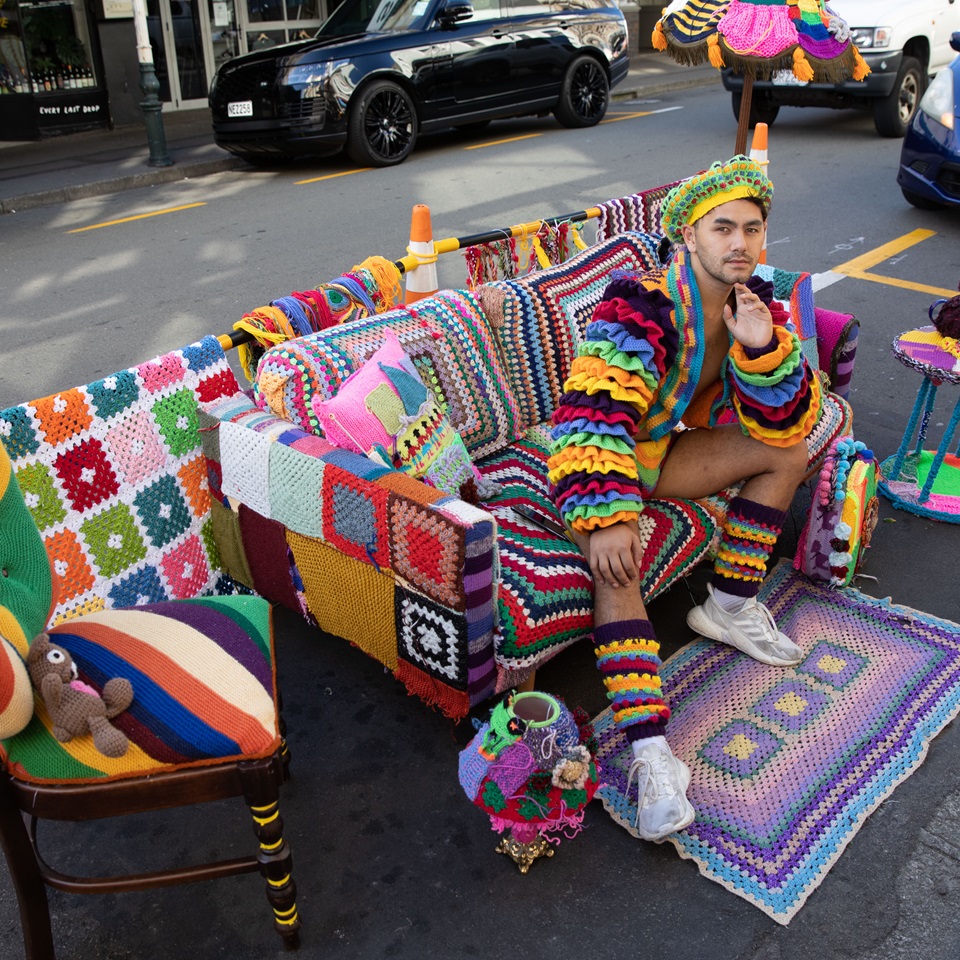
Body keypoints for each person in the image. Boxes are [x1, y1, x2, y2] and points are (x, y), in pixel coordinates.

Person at [547, 156, 822, 841]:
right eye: (722, 227)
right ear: (689, 235)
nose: (738, 243)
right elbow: (591, 414)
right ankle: (650, 754)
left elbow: (789, 422)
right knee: (620, 560)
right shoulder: (640, 303)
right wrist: (610, 516)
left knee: (787, 453)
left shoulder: (751, 306)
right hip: (595, 461)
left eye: (751, 230)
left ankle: (728, 607)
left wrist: (761, 352)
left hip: (659, 454)